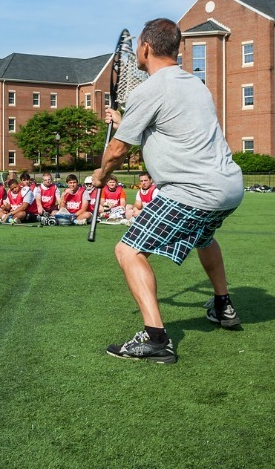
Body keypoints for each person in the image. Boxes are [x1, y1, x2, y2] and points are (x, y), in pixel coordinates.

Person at [95, 18, 245, 364]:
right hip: (229, 187)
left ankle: (155, 339)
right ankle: (223, 306)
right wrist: (124, 121)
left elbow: (118, 151)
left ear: (145, 48)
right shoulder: (195, 84)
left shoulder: (149, 90)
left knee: (128, 250)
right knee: (204, 238)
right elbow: (167, 128)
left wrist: (100, 175)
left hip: (192, 191)